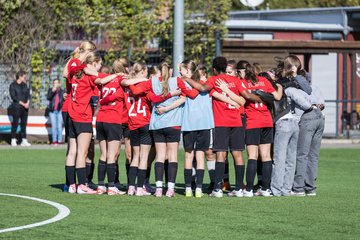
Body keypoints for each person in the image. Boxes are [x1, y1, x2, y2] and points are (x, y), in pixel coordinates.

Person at [183, 56, 262, 198]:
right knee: (238, 154)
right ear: (225, 68)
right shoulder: (236, 80)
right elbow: (245, 97)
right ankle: (239, 189)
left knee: (221, 154)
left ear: (213, 69)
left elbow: (201, 88)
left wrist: (186, 78)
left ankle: (218, 189)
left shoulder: (213, 80)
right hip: (237, 121)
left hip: (221, 122)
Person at [242, 64, 283, 197]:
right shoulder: (265, 81)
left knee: (252, 156)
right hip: (267, 121)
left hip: (253, 122)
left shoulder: (244, 83)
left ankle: (248, 189)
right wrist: (280, 87)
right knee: (266, 156)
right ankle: (265, 189)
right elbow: (277, 97)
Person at [9, 70, 31, 147]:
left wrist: (27, 103)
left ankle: (24, 140)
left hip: (25, 109)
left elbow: (28, 95)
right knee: (15, 123)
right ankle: (13, 139)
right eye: (24, 76)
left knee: (24, 124)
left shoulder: (25, 85)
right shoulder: (12, 85)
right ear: (20, 76)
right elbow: (13, 97)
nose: (25, 78)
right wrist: (23, 104)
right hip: (16, 108)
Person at [47, 79, 64, 145]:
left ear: (59, 84)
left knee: (59, 126)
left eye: (56, 83)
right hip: (52, 111)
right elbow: (48, 98)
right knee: (54, 126)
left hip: (60, 110)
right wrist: (52, 91)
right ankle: (54, 141)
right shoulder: (50, 90)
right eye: (54, 83)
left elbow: (63, 100)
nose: (55, 84)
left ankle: (59, 140)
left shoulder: (62, 91)